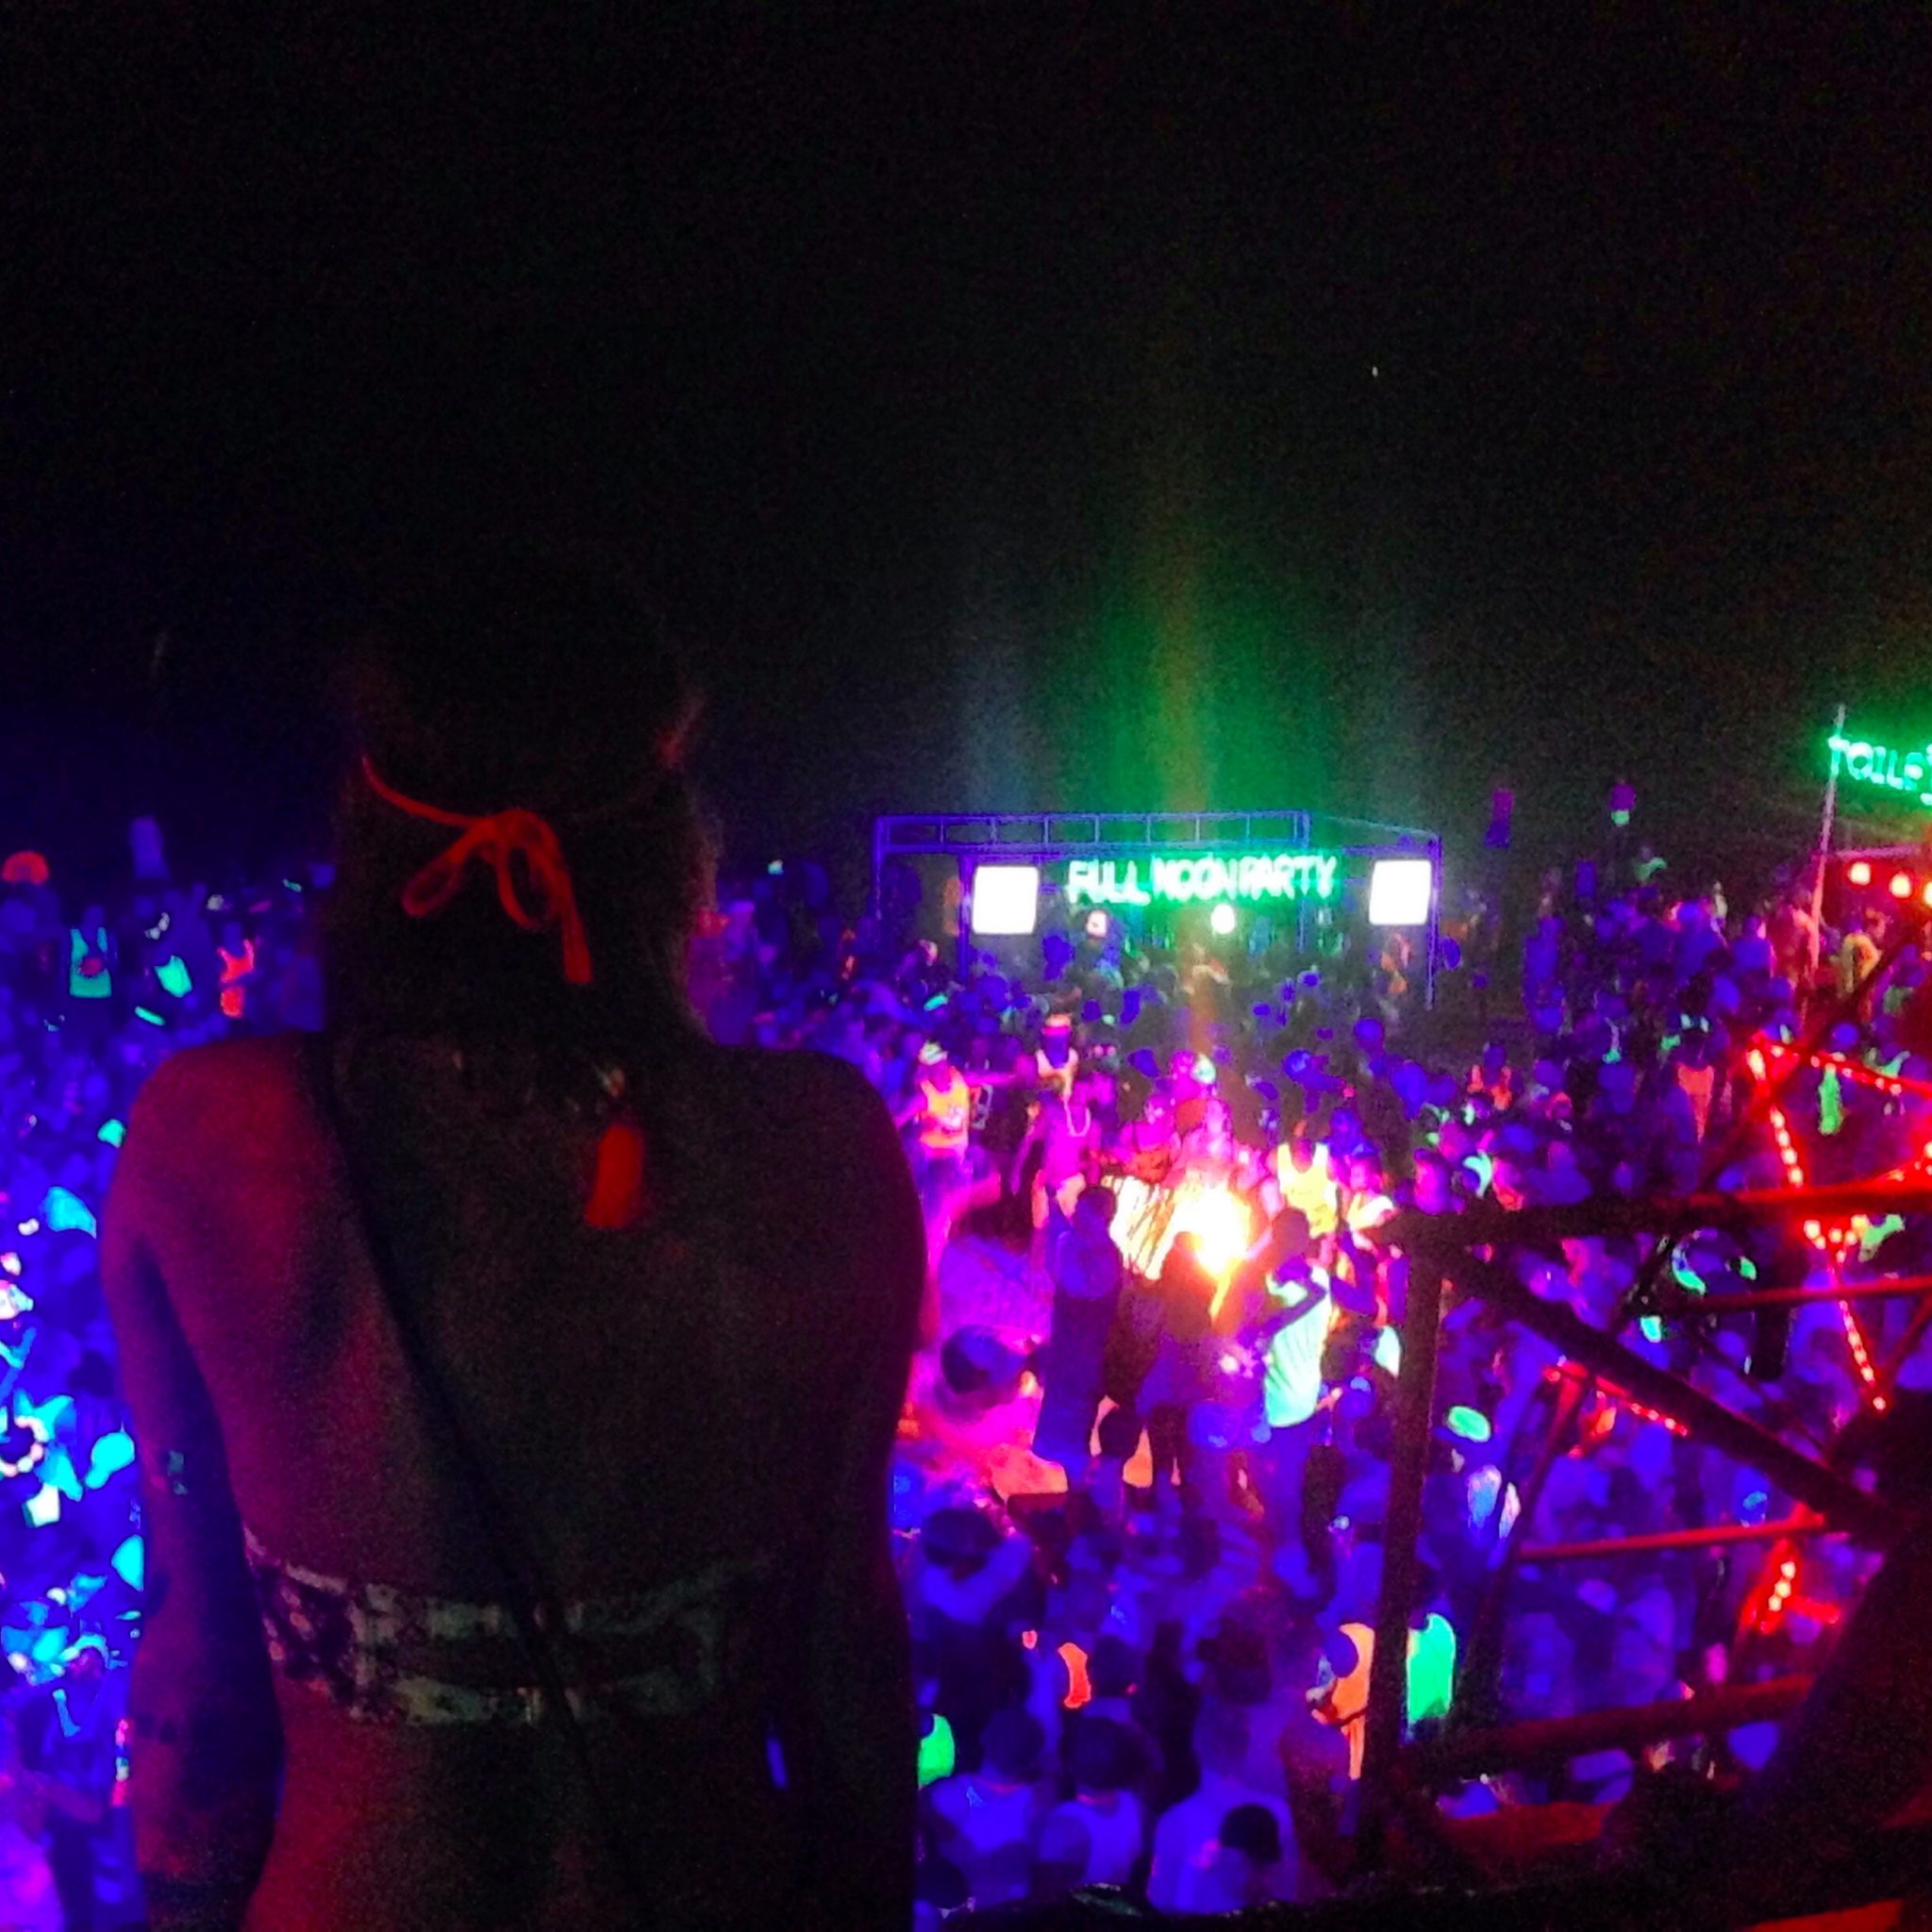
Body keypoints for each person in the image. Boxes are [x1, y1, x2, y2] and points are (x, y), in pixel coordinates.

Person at [102, 556, 924, 1930]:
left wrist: (185, 1905)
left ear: (371, 836)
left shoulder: (217, 1143)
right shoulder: (815, 1150)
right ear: (666, 846)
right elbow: (846, 1649)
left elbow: (193, 1644)